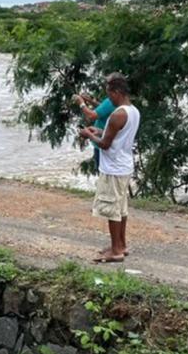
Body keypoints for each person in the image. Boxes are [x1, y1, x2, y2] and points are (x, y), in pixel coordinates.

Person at [79, 73, 140, 264]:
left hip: (113, 167)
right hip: (124, 164)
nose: (108, 98)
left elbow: (105, 144)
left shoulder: (117, 114)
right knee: (121, 208)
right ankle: (120, 245)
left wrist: (88, 135)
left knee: (112, 208)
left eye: (109, 94)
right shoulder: (133, 111)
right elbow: (114, 135)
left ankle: (115, 251)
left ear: (117, 92)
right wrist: (97, 131)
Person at [75, 89, 116, 170]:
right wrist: (91, 101)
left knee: (103, 173)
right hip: (105, 142)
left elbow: (91, 116)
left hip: (102, 144)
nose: (107, 90)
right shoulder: (118, 102)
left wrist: (81, 103)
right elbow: (104, 109)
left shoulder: (111, 101)